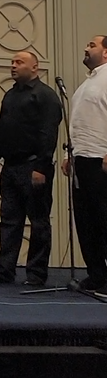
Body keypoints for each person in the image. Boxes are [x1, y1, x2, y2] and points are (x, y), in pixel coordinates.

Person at [0, 52, 62, 286]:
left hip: (34, 166)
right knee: (9, 221)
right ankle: (4, 270)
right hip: (11, 167)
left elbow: (48, 133)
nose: (13, 66)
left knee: (38, 222)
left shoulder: (46, 96)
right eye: (12, 62)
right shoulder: (10, 95)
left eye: (19, 62)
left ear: (34, 67)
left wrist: (42, 166)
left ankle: (36, 274)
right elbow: (3, 128)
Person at [62, 36, 107, 296]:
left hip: (100, 159)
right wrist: (70, 154)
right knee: (85, 220)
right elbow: (81, 121)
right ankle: (97, 274)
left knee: (103, 218)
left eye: (92, 45)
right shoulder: (87, 83)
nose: (85, 48)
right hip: (82, 159)